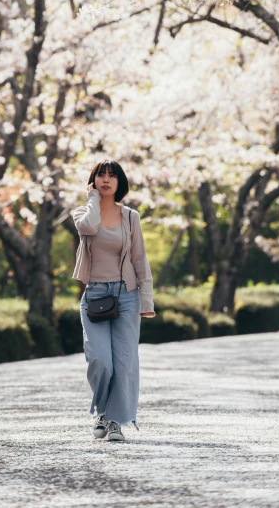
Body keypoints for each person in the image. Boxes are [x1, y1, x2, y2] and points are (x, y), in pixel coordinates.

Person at [72, 159, 156, 442]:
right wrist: (93, 198)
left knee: (124, 362)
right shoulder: (83, 213)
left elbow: (139, 259)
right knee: (100, 360)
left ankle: (114, 421)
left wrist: (146, 301)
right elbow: (90, 227)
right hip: (95, 295)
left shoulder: (131, 217)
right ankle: (101, 411)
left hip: (127, 295)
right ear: (93, 181)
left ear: (120, 182)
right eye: (100, 176)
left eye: (112, 176)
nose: (106, 180)